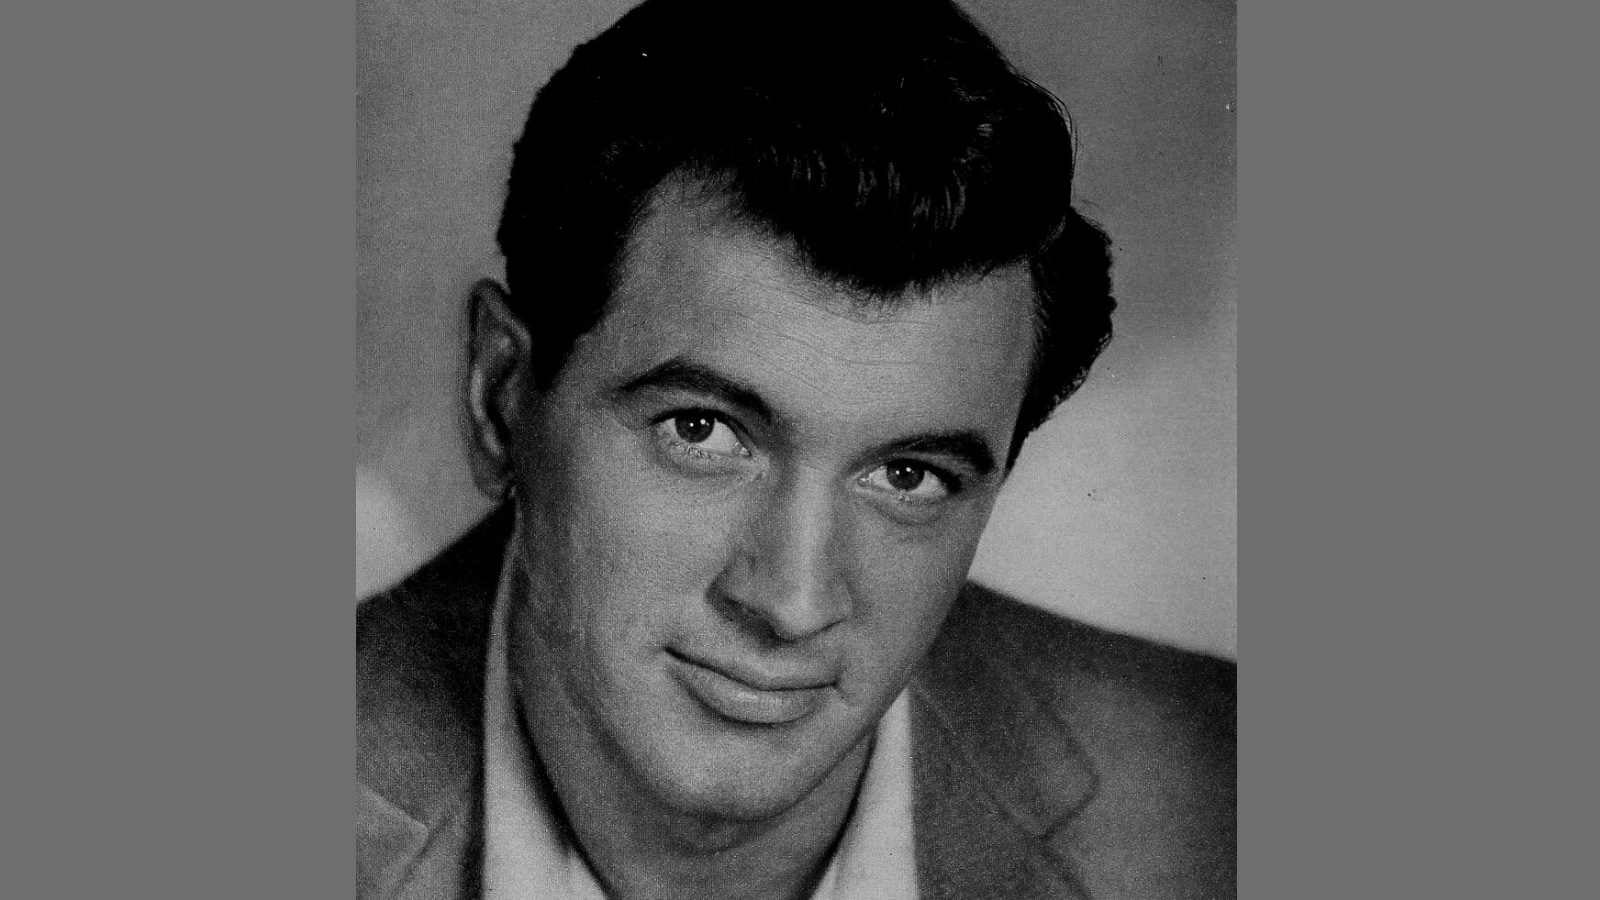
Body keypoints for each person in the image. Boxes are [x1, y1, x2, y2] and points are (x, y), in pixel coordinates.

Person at [356, 1, 1235, 897]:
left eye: (908, 476)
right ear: (502, 399)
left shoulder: (1226, 799)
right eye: (700, 431)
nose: (791, 604)